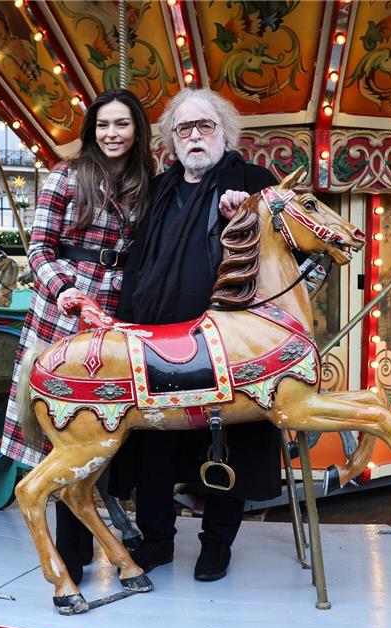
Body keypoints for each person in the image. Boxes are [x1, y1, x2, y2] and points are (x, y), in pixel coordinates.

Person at [112, 88, 282, 582]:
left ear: (225, 133)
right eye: (183, 129)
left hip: (226, 342)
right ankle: (158, 540)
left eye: (204, 126)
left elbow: (294, 254)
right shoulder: (159, 189)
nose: (194, 137)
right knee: (153, 441)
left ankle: (216, 545)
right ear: (172, 141)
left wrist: (252, 214)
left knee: (224, 440)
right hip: (158, 336)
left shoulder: (252, 182)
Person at [0, 89, 154, 585]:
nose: (112, 133)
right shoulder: (67, 175)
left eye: (122, 124)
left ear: (137, 131)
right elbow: (40, 247)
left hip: (118, 305)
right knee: (64, 425)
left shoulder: (144, 181)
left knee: (101, 425)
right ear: (92, 130)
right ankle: (70, 550)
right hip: (65, 306)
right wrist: (65, 291)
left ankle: (102, 532)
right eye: (104, 124)